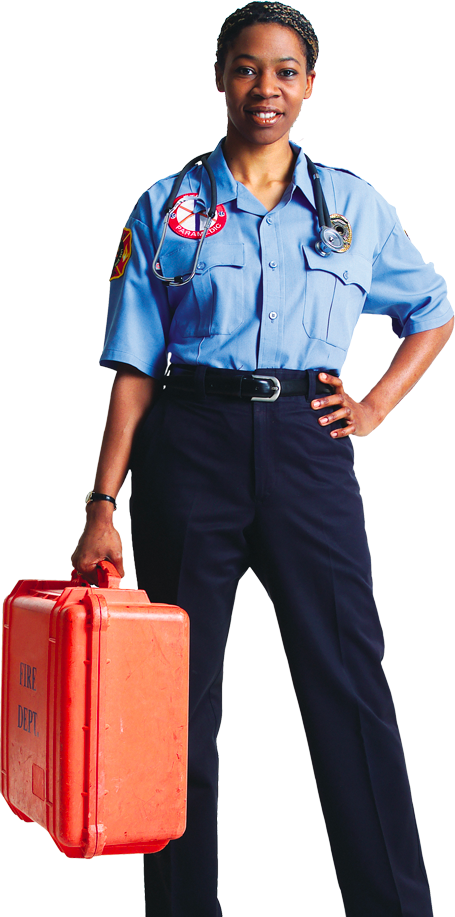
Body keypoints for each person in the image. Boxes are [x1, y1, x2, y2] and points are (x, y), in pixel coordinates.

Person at [71, 4, 454, 916]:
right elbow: (134, 364)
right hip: (188, 446)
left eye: (285, 71)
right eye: (247, 69)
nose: (266, 89)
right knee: (174, 707)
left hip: (306, 449)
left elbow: (433, 306)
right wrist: (99, 503)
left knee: (349, 684)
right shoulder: (168, 209)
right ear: (220, 81)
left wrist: (375, 404)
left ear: (310, 87)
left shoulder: (353, 208)